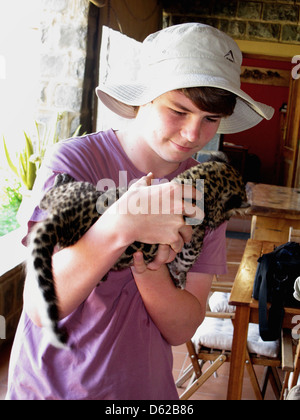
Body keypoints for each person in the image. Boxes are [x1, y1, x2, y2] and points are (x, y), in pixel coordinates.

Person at [6, 23, 274, 400]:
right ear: (144, 97)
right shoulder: (75, 162)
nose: (193, 134)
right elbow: (41, 304)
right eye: (179, 111)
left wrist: (148, 267)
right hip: (49, 389)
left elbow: (182, 329)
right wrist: (124, 222)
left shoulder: (204, 195)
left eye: (210, 120)